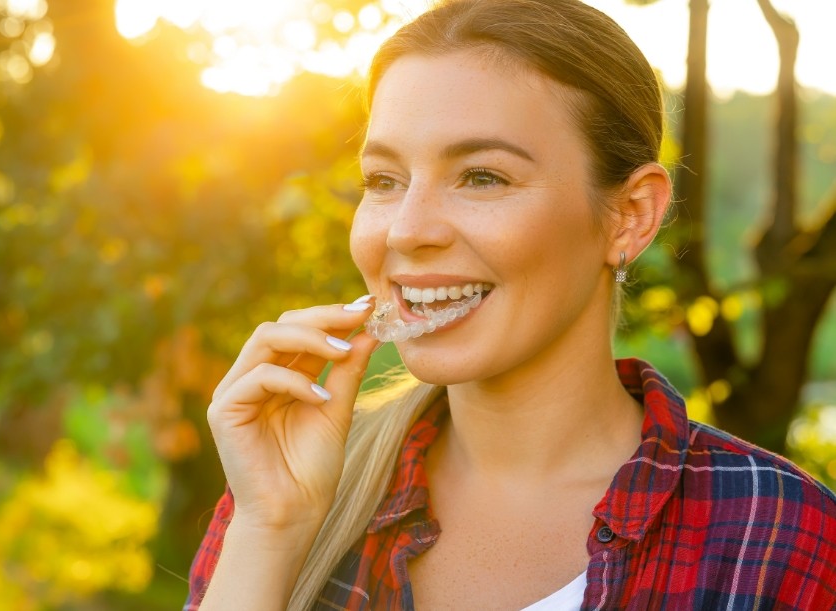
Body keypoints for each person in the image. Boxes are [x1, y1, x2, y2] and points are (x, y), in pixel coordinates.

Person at [185, 0, 836, 608]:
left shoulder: (782, 535)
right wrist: (270, 528)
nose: (406, 230)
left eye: (482, 176)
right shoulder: (285, 492)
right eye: (384, 179)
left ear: (628, 217)